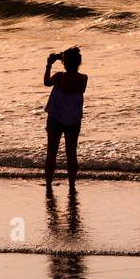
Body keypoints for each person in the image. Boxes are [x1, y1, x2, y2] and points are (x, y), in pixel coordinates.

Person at [43, 46, 87, 185]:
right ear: (79, 62)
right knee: (71, 153)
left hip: (55, 118)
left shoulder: (59, 77)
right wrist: (63, 58)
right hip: (73, 119)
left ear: (65, 62)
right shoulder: (83, 79)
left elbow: (46, 82)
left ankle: (49, 184)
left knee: (52, 152)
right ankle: (72, 185)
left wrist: (50, 64)